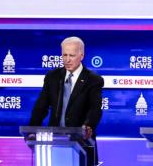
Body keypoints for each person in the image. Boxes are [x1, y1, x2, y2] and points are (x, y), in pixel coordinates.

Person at [29, 36, 103, 166]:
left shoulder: (93, 80)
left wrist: (87, 127)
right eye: (64, 55)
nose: (67, 59)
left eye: (72, 55)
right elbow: (41, 106)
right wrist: (31, 129)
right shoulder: (52, 77)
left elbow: (95, 109)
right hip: (54, 141)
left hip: (82, 144)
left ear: (81, 55)